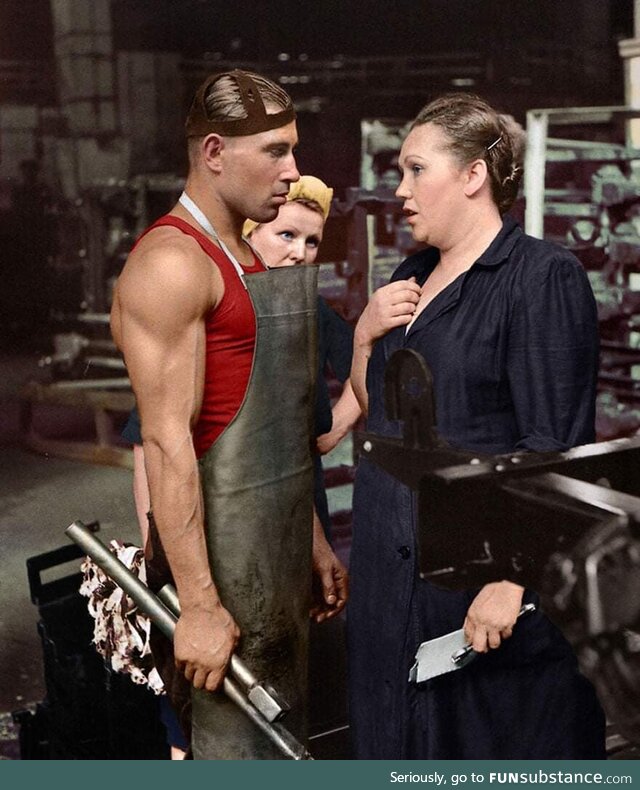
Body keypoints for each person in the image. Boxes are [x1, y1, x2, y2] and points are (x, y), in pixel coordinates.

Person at [348, 92, 606, 759]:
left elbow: (555, 445)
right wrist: (363, 335)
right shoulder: (408, 277)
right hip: (391, 589)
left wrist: (511, 579)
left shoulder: (539, 278)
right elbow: (374, 418)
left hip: (476, 597)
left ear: (472, 176)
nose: (399, 190)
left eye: (415, 169)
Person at [110, 69, 348, 760]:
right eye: (274, 151)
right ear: (214, 153)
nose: (292, 170)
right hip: (215, 580)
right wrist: (200, 606)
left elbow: (268, 427)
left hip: (267, 563)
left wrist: (309, 538)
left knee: (282, 746)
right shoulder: (172, 264)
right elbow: (167, 445)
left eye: (292, 149)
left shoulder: (244, 252)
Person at [243, 174, 361, 544]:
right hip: (236, 494)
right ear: (247, 235)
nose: (300, 252)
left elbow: (366, 361)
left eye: (312, 242)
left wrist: (336, 428)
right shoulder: (217, 306)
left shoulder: (314, 311)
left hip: (302, 491)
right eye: (286, 235)